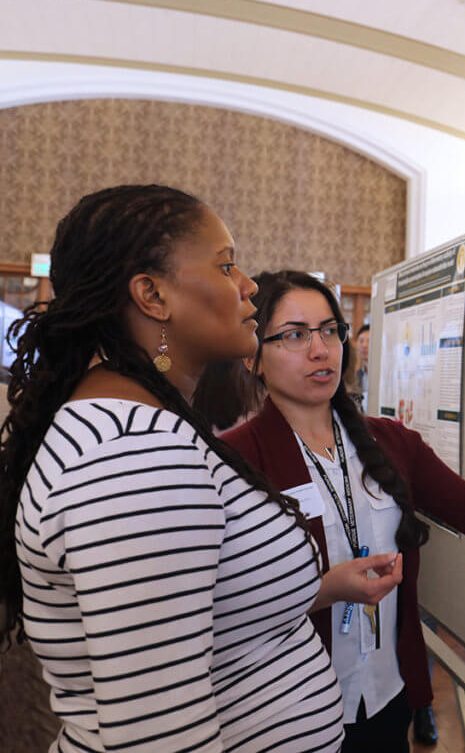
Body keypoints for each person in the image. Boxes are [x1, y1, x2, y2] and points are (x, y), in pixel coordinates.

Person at [0, 185, 401, 752]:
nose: (248, 285)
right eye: (225, 265)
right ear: (152, 295)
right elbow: (160, 740)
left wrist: (318, 587)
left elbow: (214, 605)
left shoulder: (143, 426)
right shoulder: (134, 459)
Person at [223, 270, 465, 753]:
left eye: (330, 330)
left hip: (387, 696)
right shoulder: (232, 459)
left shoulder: (392, 443)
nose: (319, 349)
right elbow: (226, 605)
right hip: (289, 710)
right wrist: (325, 589)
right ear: (254, 358)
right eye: (294, 335)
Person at [354, 323, 370, 412]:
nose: (364, 345)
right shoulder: (355, 377)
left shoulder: (385, 376)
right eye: (361, 341)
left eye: (369, 341)